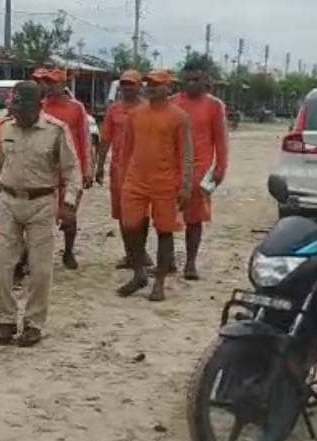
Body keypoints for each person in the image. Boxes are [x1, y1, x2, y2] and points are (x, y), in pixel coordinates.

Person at [0, 81, 79, 346]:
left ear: (37, 106)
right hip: (8, 201)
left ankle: (33, 323)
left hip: (41, 203)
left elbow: (72, 170)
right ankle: (5, 319)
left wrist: (69, 203)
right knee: (0, 263)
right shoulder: (4, 127)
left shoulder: (56, 131)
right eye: (13, 105)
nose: (16, 111)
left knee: (40, 269)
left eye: (22, 106)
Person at [117, 70, 194, 301]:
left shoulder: (179, 117)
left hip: (165, 182)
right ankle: (139, 273)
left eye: (157, 84)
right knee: (131, 227)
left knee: (164, 231)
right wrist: (123, 178)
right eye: (148, 84)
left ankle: (159, 282)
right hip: (136, 180)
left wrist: (186, 184)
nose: (151, 88)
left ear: (168, 87)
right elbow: (126, 150)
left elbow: (185, 154)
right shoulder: (136, 114)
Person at [172, 59, 229, 280]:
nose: (192, 84)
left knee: (194, 219)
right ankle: (166, 261)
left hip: (200, 170)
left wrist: (220, 168)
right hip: (173, 167)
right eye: (188, 80)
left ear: (206, 80)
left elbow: (221, 140)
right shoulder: (173, 103)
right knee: (165, 215)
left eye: (197, 79)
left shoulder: (215, 106)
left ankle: (190, 262)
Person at [36, 67, 93, 269]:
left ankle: (68, 251)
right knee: (42, 215)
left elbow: (85, 139)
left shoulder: (76, 108)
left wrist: (87, 170)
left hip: (70, 170)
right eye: (47, 82)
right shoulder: (39, 107)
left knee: (69, 215)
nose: (49, 86)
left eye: (53, 83)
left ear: (63, 85)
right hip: (45, 170)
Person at [96, 71, 146, 269]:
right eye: (124, 84)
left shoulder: (147, 109)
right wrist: (99, 166)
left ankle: (140, 253)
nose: (127, 88)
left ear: (139, 86)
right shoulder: (114, 110)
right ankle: (130, 254)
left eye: (131, 84)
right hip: (118, 169)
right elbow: (105, 139)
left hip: (143, 169)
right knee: (122, 213)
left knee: (141, 215)